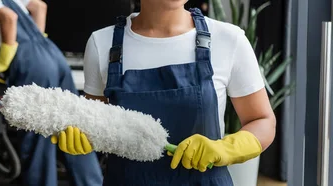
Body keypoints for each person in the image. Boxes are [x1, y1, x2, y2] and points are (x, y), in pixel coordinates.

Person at [51, 0, 276, 185]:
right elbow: (92, 123)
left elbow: (263, 120)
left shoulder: (228, 39)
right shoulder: (102, 43)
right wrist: (82, 136)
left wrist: (225, 148)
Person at [0, 0, 103, 185]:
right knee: (75, 128)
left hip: (30, 59)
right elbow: (39, 7)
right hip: (53, 54)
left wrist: (5, 58)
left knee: (37, 138)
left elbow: (8, 17)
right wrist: (37, 44)